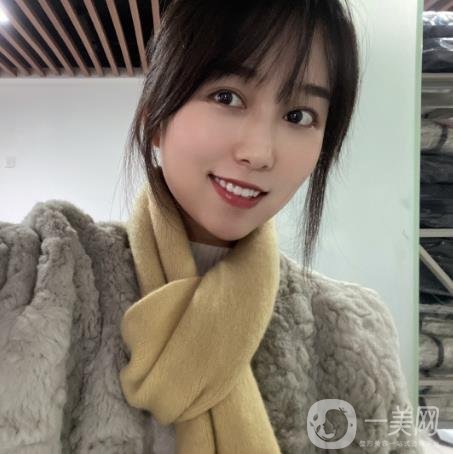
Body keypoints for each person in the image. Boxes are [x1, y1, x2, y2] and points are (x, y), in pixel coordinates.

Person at [0, 0, 423, 453]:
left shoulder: (352, 332)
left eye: (298, 115)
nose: (259, 153)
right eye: (227, 97)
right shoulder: (39, 274)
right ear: (156, 116)